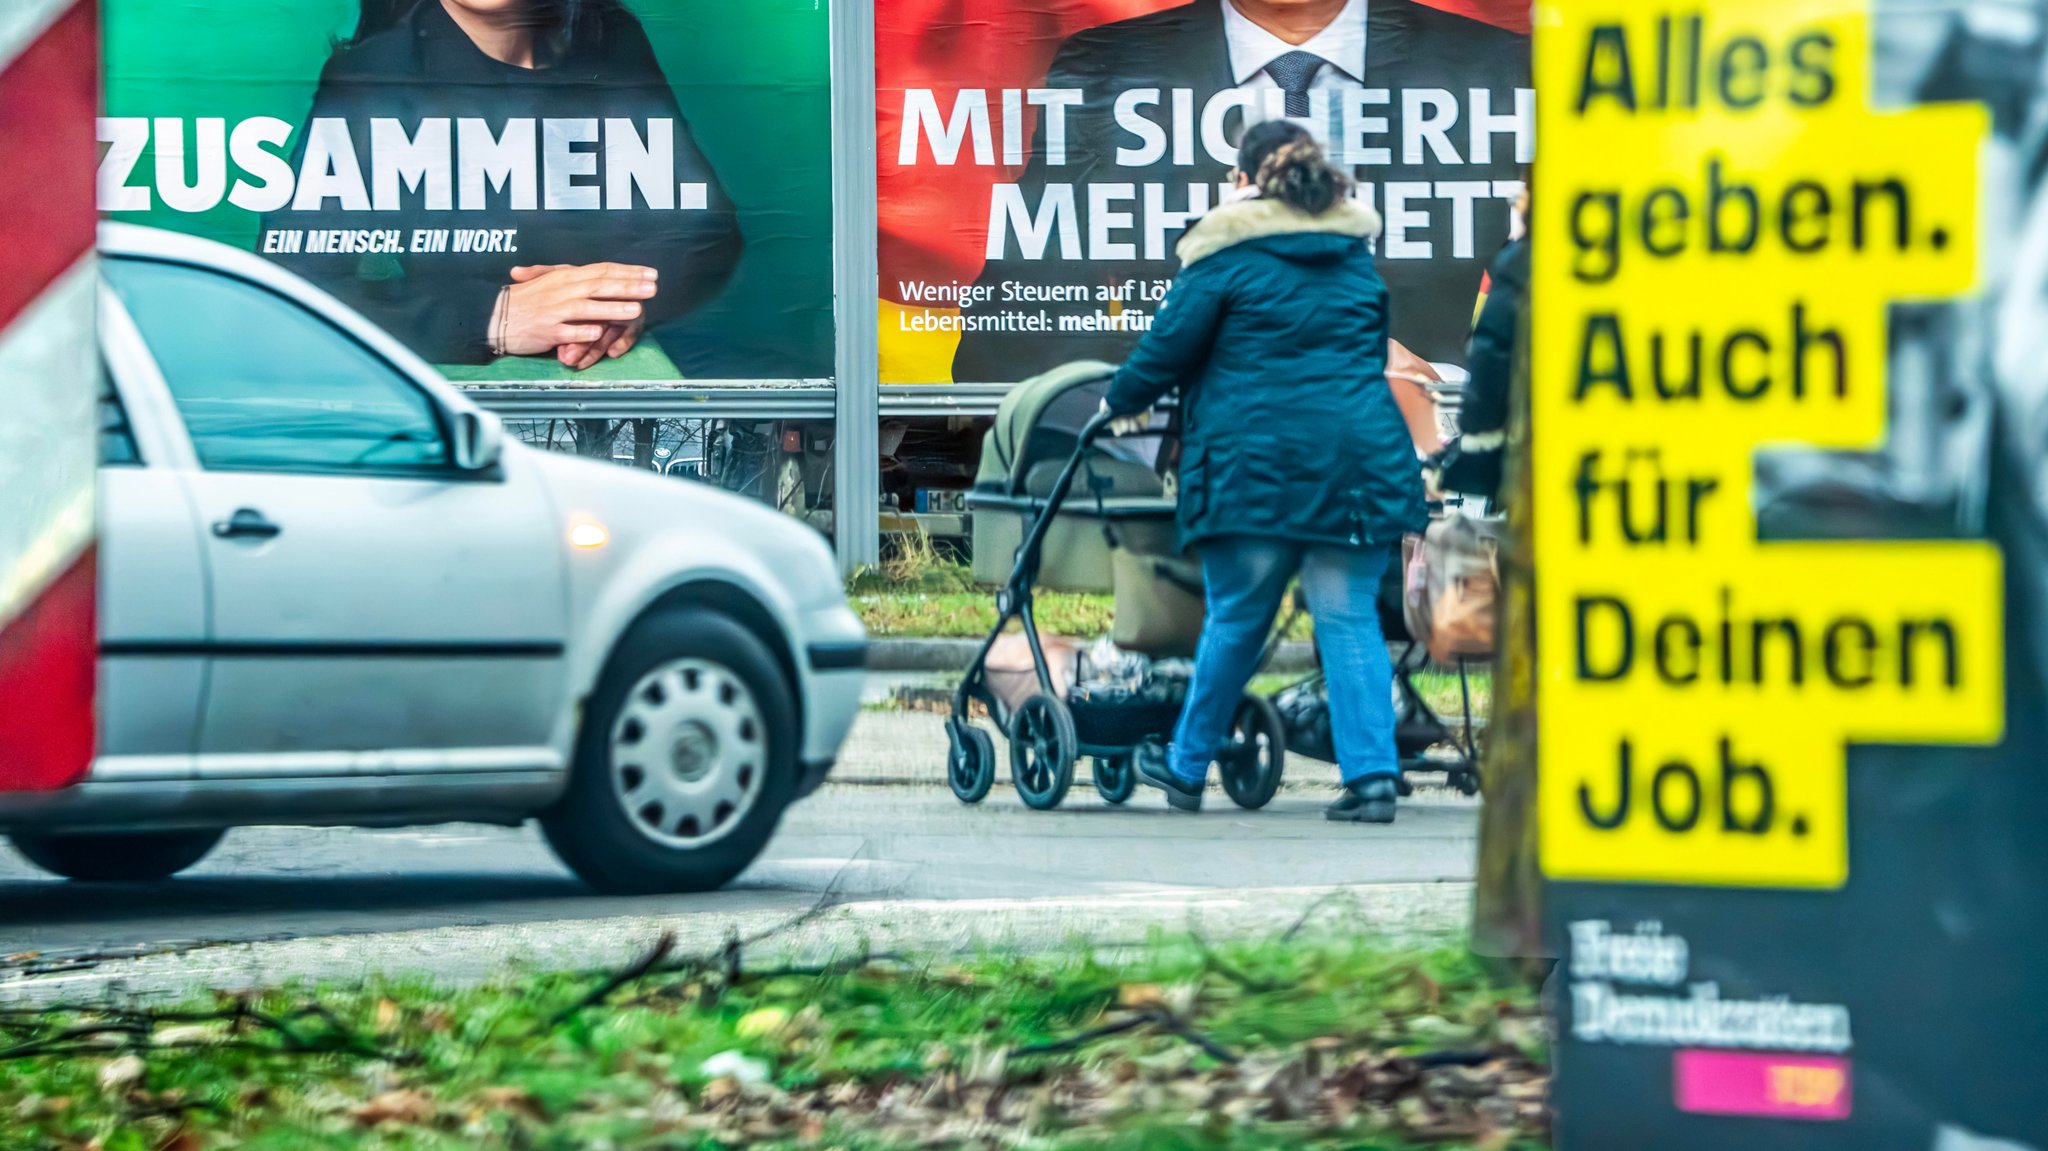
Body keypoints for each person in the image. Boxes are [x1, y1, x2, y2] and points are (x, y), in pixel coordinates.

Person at [1103, 120, 1428, 822]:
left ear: (1244, 181)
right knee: (1346, 618)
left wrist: (1118, 401)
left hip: (1257, 469)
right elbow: (1367, 353)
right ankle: (1371, 778)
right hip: (1359, 465)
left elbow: (1164, 352)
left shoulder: (1223, 253)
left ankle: (1187, 767)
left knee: (1237, 616)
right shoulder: (1352, 259)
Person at [950, 0, 1528, 383]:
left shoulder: (1496, 68)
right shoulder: (1112, 66)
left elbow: (1571, 312)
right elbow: (1011, 339)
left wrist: (1447, 394)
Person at [263, 0, 741, 368]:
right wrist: (493, 318)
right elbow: (289, 286)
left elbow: (708, 230)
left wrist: (610, 305)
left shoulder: (611, 41)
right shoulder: (373, 74)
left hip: (600, 390)